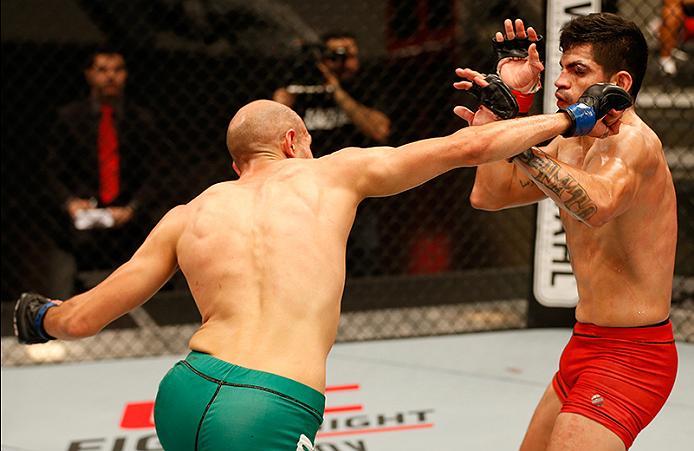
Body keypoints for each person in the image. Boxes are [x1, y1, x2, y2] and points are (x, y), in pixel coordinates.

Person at [15, 94, 626, 450]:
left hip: (183, 393)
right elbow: (464, 149)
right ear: (291, 140)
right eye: (305, 143)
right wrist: (573, 116)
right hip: (265, 407)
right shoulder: (332, 171)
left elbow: (83, 318)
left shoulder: (188, 214)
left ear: (236, 162)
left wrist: (39, 316)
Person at [456, 15, 678, 451]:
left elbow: (595, 205)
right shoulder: (570, 144)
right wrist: (504, 114)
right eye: (560, 68)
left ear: (619, 82)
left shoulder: (635, 143)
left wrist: (516, 143)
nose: (559, 81)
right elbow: (489, 195)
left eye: (577, 71)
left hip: (633, 356)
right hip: (585, 345)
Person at [274, 31, 392, 276]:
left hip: (357, 188)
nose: (344, 61)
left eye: (349, 54)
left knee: (364, 258)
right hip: (306, 189)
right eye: (336, 55)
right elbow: (270, 130)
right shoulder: (302, 86)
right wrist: (292, 87)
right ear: (322, 58)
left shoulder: (364, 86)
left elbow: (379, 129)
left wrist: (336, 90)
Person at [46, 46, 159, 297]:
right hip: (80, 218)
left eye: (117, 70)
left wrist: (132, 208)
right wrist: (71, 203)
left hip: (128, 216)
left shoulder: (141, 120)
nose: (110, 76)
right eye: (102, 70)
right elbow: (52, 172)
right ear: (89, 74)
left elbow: (154, 174)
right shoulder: (68, 118)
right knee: (64, 275)